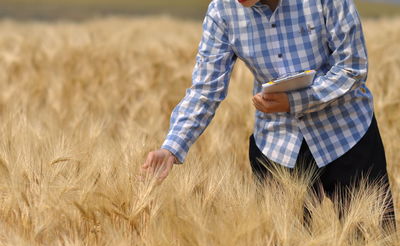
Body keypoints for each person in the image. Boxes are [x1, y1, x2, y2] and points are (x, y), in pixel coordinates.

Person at [142, 0, 396, 227]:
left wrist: (294, 101)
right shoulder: (221, 11)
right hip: (278, 146)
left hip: (347, 135)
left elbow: (352, 68)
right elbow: (205, 90)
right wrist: (172, 147)